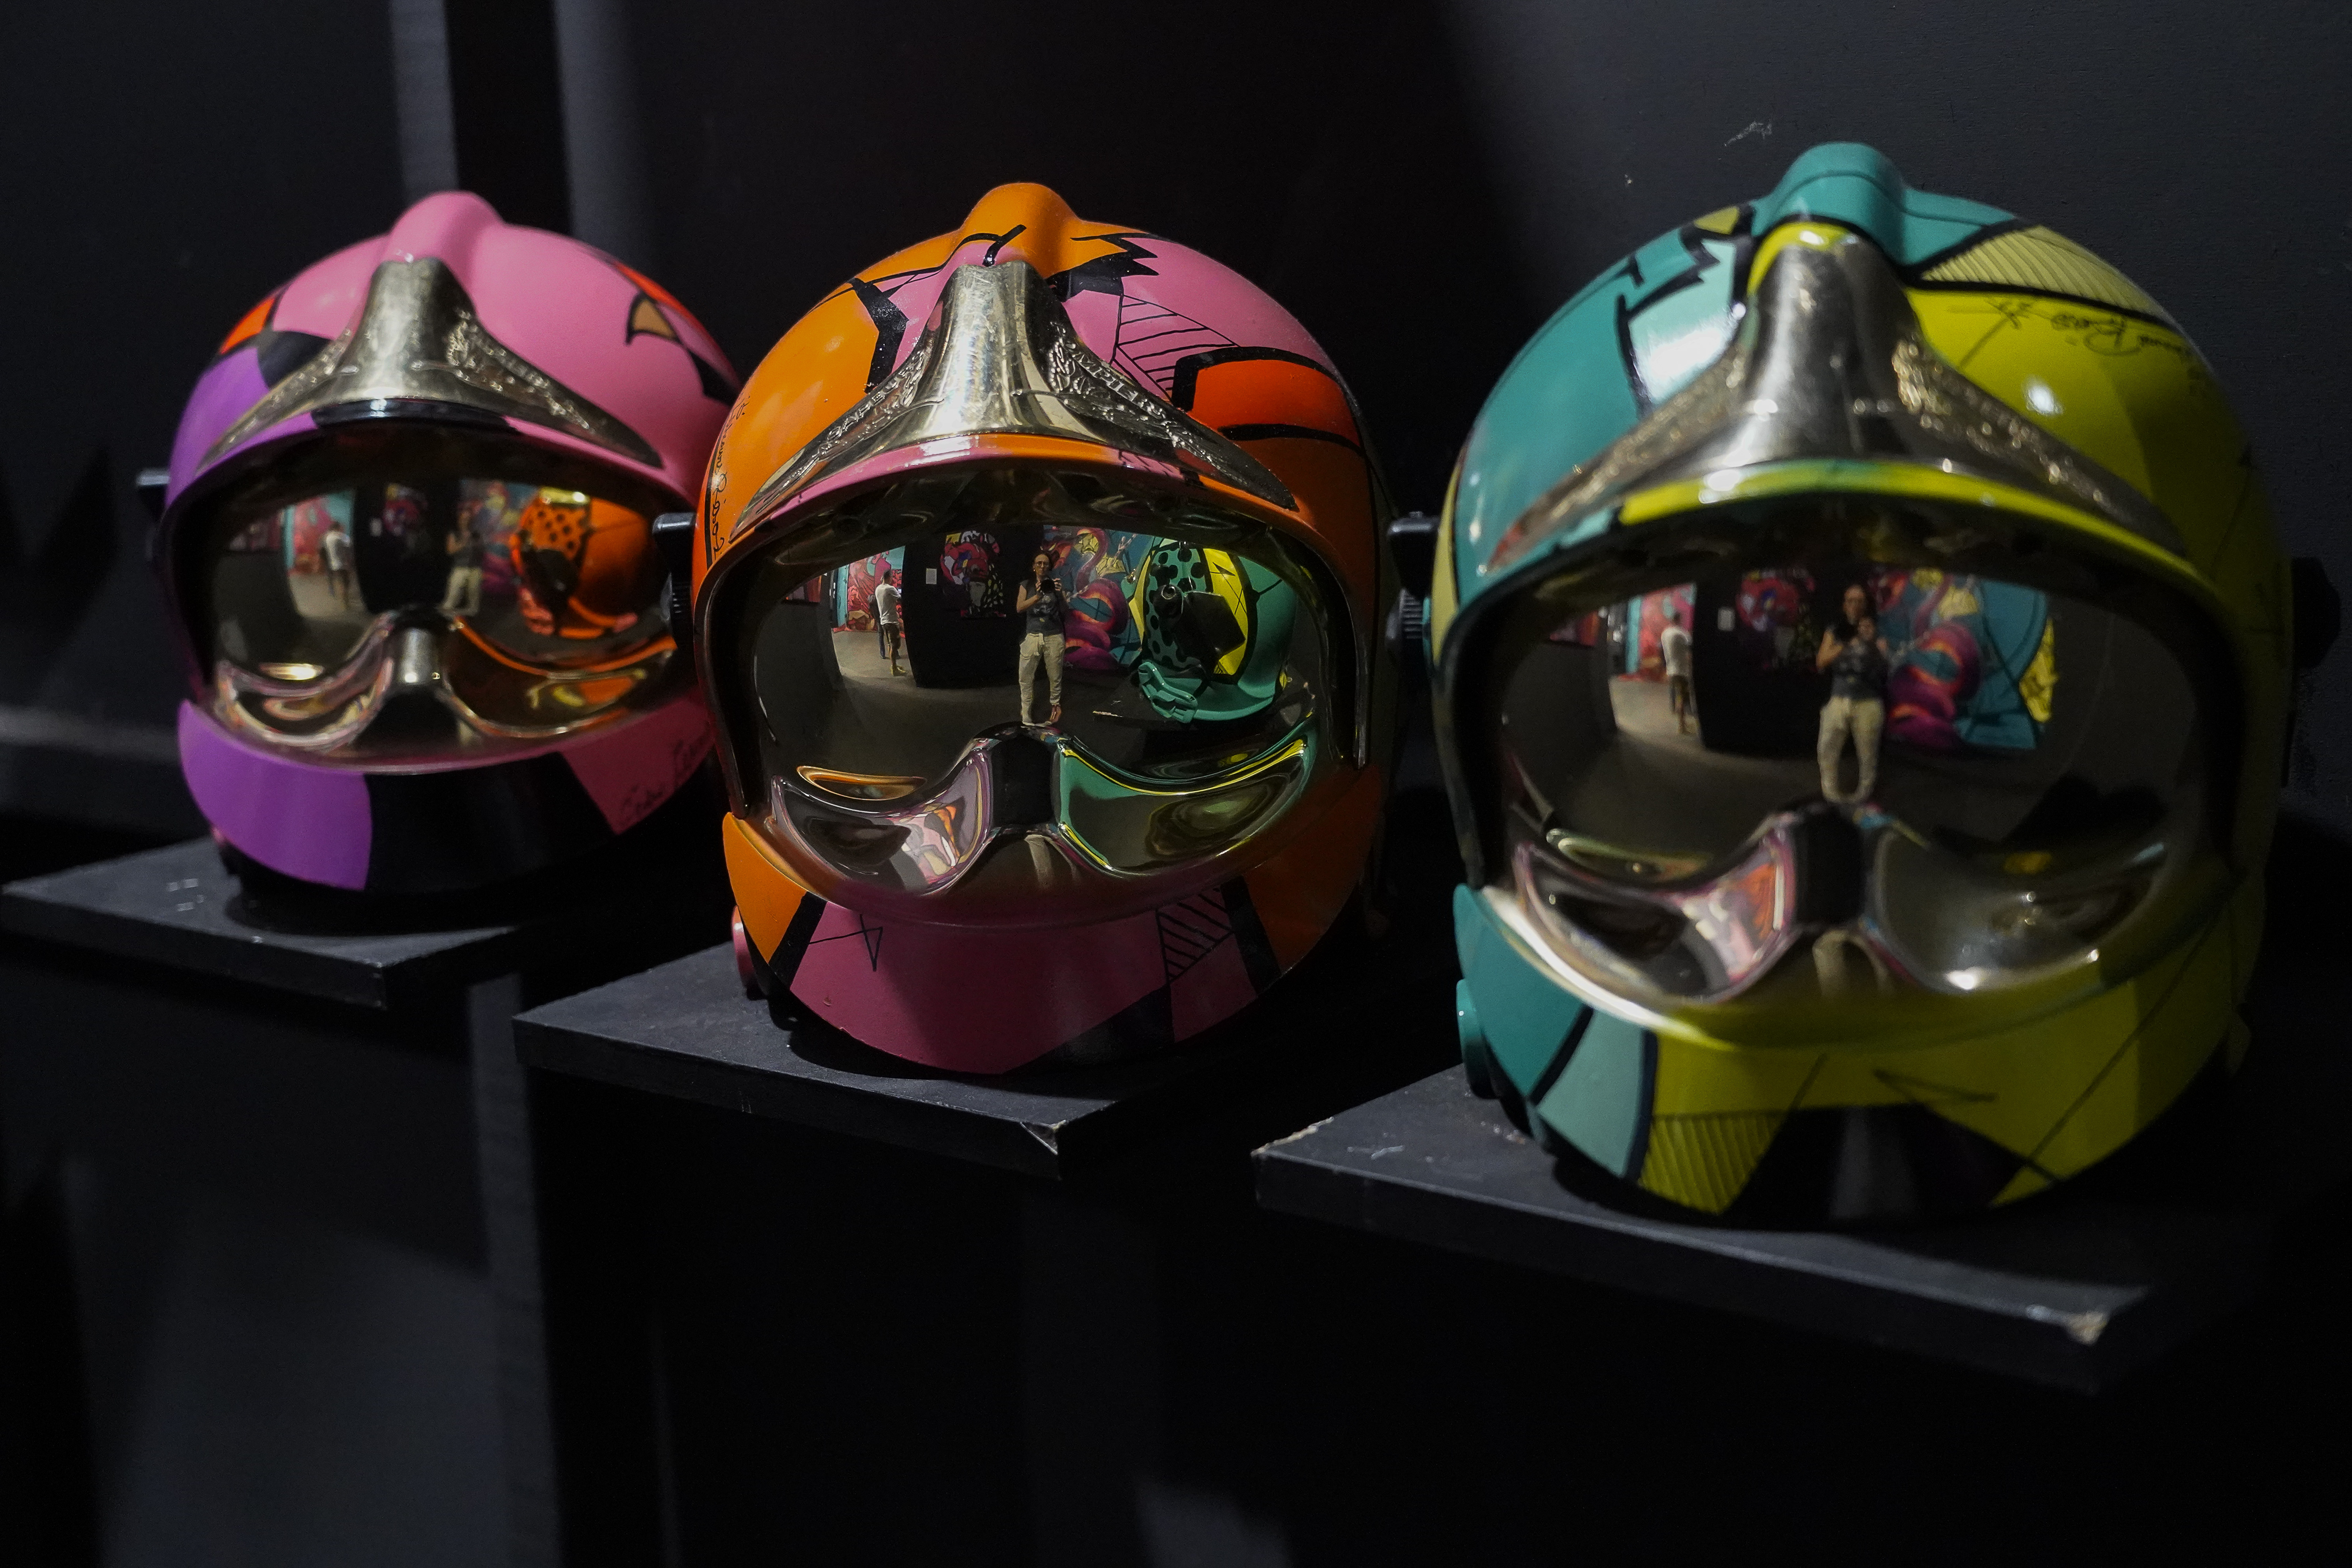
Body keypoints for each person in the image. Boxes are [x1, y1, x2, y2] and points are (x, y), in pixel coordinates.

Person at [1815, 583, 1890, 804]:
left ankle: (1862, 798)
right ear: (1844, 605)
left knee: (1868, 755)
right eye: (1850, 601)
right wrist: (1848, 640)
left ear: (1866, 605)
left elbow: (1886, 667)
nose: (1855, 605)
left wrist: (1872, 642)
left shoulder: (1877, 629)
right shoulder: (1835, 630)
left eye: (1859, 601)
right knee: (1827, 749)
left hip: (1868, 701)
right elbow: (1821, 661)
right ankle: (1831, 796)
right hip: (1838, 699)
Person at [1014, 549, 1067, 726]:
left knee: (1055, 675)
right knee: (1025, 675)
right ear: (1034, 566)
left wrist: (1060, 595)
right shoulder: (1027, 585)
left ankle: (1055, 707)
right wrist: (1038, 596)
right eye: (1039, 563)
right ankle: (1026, 711)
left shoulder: (1054, 585)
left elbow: (1065, 612)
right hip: (1033, 635)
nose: (1043, 566)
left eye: (1046, 564)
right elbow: (1020, 608)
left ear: (1049, 567)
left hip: (1054, 635)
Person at [1659, 606, 1693, 735]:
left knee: (1677, 696)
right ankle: (1682, 726)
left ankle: (1682, 723)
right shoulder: (1682, 634)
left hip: (1671, 670)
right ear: (1679, 620)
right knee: (1682, 699)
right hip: (1682, 671)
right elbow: (1690, 649)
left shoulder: (1665, 633)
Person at [440, 526, 485, 617]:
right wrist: (464, 542)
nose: (466, 521)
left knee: (474, 592)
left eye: (469, 519)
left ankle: (470, 615)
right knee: (454, 592)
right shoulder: (455, 534)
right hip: (460, 567)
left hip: (475, 568)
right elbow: (450, 551)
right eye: (463, 519)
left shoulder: (477, 534)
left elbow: (482, 550)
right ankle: (446, 614)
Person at [872, 570, 902, 675]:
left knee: (890, 644)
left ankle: (894, 666)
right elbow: (900, 599)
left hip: (883, 621)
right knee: (895, 645)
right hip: (892, 621)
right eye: (892, 577)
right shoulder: (890, 589)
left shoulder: (878, 589)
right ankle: (894, 669)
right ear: (889, 577)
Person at [320, 522, 356, 609]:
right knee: (346, 583)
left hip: (333, 565)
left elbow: (323, 550)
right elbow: (350, 548)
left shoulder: (327, 537)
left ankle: (343, 599)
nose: (343, 529)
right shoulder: (342, 537)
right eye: (341, 528)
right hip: (343, 564)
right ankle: (345, 603)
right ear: (337, 528)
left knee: (341, 582)